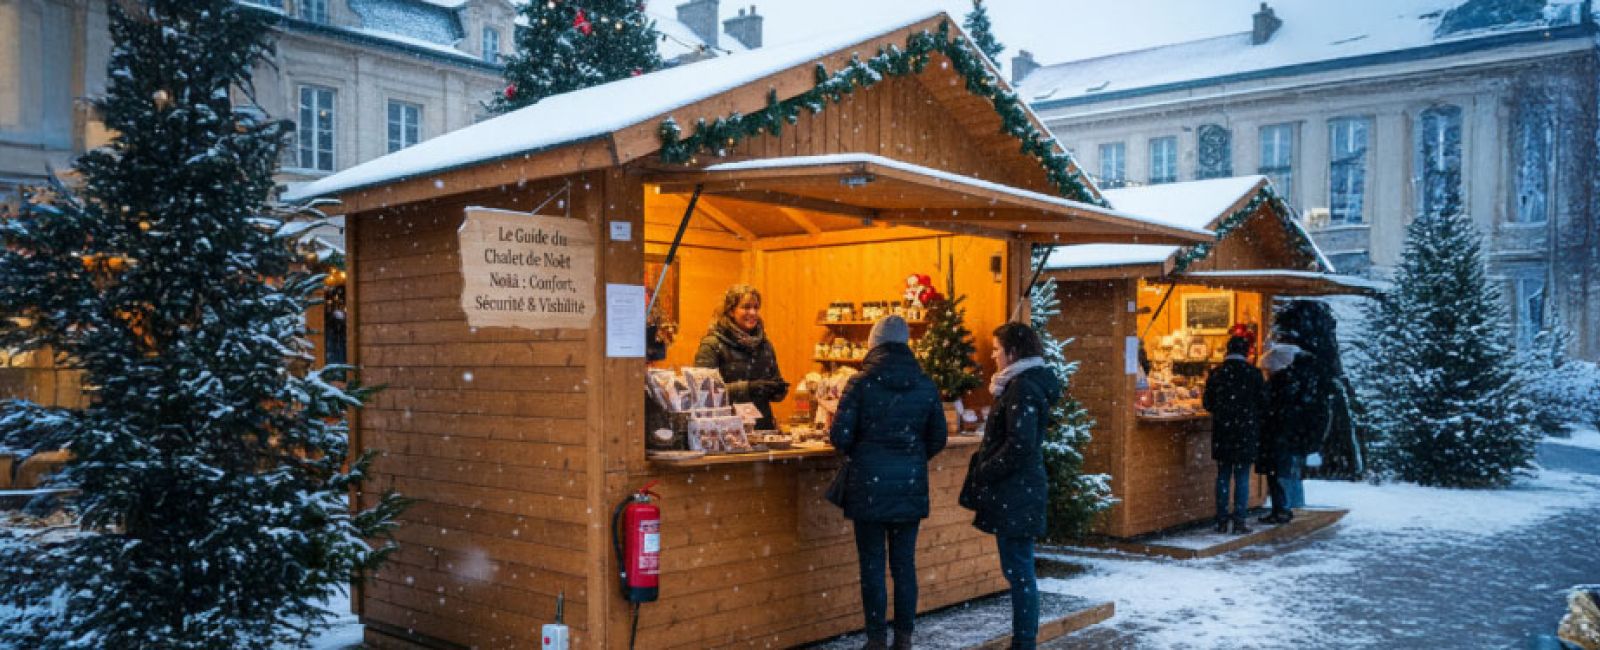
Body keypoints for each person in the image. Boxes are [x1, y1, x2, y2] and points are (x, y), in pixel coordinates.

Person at [830, 315, 948, 650]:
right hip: (908, 486)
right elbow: (938, 437)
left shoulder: (860, 383)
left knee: (872, 566)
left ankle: (877, 639)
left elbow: (840, 436)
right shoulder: (925, 384)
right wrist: (911, 458)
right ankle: (904, 637)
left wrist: (866, 454)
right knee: (904, 565)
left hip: (868, 487)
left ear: (874, 344)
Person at [960, 322, 1057, 650]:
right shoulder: (1021, 385)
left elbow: (1020, 444)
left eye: (997, 349)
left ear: (1013, 353)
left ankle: (1024, 642)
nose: (993, 355)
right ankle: (1024, 640)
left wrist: (986, 470)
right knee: (1018, 569)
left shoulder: (1021, 388)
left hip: (1017, 491)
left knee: (1019, 571)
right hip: (1020, 489)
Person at [695, 284, 789, 430]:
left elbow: (775, 385)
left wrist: (777, 390)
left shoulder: (765, 345)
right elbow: (703, 393)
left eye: (756, 307)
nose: (753, 312)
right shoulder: (712, 344)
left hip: (763, 429)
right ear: (731, 311)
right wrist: (747, 389)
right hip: (726, 430)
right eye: (746, 307)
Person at [1258, 339, 1328, 524]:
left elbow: (1272, 409)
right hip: (1291, 436)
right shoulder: (1300, 381)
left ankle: (1282, 508)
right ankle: (1287, 507)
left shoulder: (1280, 384)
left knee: (1278, 473)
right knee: (1287, 471)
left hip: (1279, 436)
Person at [1202, 336, 1267, 534]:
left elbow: (1207, 403)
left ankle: (1221, 521)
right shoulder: (1254, 374)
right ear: (1246, 352)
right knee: (1242, 477)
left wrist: (1224, 411)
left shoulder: (1217, 373)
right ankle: (1239, 521)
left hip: (1223, 431)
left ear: (1227, 350)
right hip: (1246, 431)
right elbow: (1263, 403)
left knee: (1223, 475)